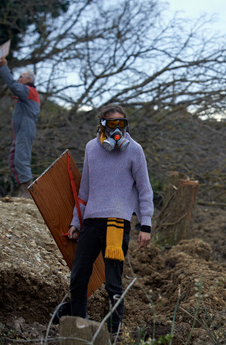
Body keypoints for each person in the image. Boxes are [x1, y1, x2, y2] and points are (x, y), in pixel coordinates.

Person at [67, 104, 154, 334]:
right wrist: (76, 222)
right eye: (112, 124)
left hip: (118, 224)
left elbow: (145, 190)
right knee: (78, 278)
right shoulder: (90, 149)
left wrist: (146, 225)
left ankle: (114, 333)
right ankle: (79, 327)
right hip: (92, 222)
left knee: (113, 283)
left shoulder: (134, 150)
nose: (117, 129)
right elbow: (84, 191)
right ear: (102, 125)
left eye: (121, 124)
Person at [0, 57, 40, 197]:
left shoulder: (29, 91)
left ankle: (27, 192)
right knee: (14, 159)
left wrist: (4, 67)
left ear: (28, 80)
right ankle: (23, 189)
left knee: (21, 158)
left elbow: (12, 85)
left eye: (21, 77)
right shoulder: (27, 93)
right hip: (22, 128)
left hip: (26, 126)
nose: (18, 79)